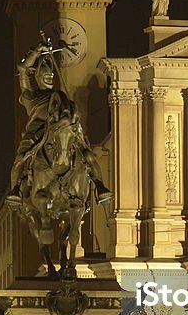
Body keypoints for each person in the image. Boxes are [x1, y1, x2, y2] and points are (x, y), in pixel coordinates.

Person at [6, 36, 112, 206]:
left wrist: (73, 120)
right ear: (38, 77)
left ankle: (99, 186)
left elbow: (71, 112)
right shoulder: (31, 95)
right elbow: (23, 68)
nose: (49, 78)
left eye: (51, 75)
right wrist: (37, 52)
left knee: (88, 154)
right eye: (45, 75)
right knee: (21, 157)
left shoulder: (61, 96)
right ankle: (16, 189)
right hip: (37, 131)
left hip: (63, 128)